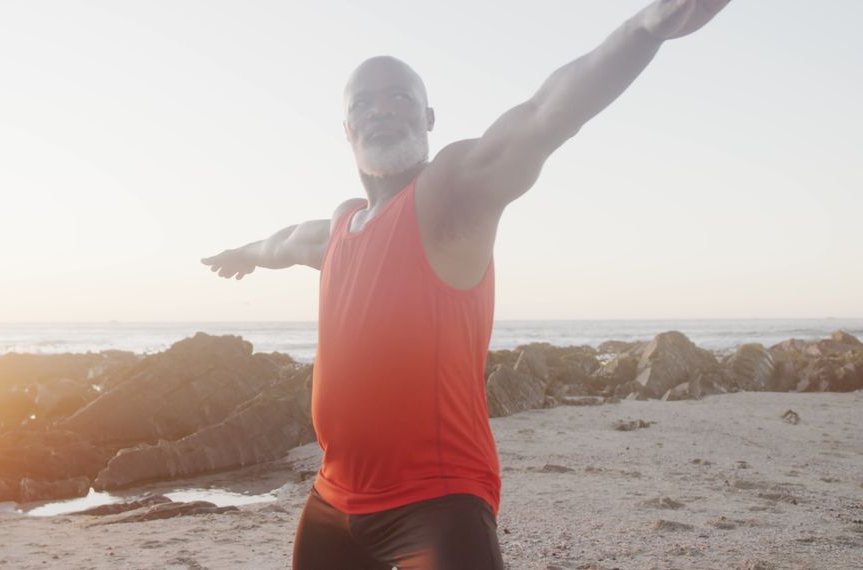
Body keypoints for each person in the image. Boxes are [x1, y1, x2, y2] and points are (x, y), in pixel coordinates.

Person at [202, 1, 731, 567]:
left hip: (437, 504)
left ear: (429, 118)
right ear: (348, 128)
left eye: (400, 97)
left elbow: (543, 115)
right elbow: (282, 242)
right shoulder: (339, 229)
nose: (382, 110)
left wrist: (643, 29)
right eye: (364, 102)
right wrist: (244, 254)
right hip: (332, 500)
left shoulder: (449, 196)